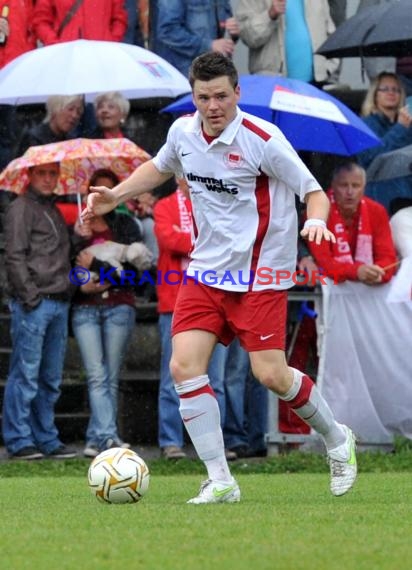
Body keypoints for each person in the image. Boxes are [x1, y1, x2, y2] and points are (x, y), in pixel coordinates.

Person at [83, 52, 358, 503]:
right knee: (183, 366)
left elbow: (312, 191)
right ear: (194, 96)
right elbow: (160, 166)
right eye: (203, 97)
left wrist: (316, 220)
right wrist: (115, 194)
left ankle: (335, 437)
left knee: (269, 374)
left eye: (221, 96)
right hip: (206, 271)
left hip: (260, 274)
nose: (212, 106)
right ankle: (221, 479)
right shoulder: (182, 132)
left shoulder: (262, 139)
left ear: (237, 94)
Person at [71, 168, 153, 458]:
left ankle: (97, 438)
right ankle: (108, 437)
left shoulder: (126, 226)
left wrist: (98, 265)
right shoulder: (76, 229)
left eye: (107, 190)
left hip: (119, 306)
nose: (99, 197)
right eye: (94, 190)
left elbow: (135, 276)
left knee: (110, 377)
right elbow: (73, 273)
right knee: (96, 376)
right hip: (85, 311)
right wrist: (87, 283)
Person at [153, 177, 235, 460]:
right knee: (172, 376)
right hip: (175, 301)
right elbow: (169, 239)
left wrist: (193, 239)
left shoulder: (217, 201)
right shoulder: (164, 206)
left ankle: (216, 446)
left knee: (216, 380)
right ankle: (171, 442)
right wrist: (208, 241)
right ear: (177, 176)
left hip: (216, 300)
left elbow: (231, 239)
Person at [2, 163, 80, 460]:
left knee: (49, 377)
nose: (48, 179)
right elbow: (14, 256)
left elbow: (54, 253)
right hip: (36, 302)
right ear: (29, 176)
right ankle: (19, 438)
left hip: (58, 301)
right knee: (26, 374)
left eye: (52, 173)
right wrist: (30, 296)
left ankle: (45, 437)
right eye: (42, 174)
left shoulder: (53, 208)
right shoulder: (21, 207)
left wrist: (78, 235)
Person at [308, 161, 397, 285]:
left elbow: (387, 255)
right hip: (329, 287)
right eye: (344, 185)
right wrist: (356, 271)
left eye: (356, 186)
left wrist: (378, 271)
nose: (350, 192)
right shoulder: (318, 211)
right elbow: (323, 261)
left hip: (369, 286)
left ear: (364, 188)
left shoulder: (377, 211)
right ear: (333, 186)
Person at [235, 0, 340, 89]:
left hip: (315, 85)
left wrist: (328, 68)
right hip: (272, 85)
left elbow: (331, 34)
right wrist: (270, 15)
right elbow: (247, 37)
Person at [357, 72, 412, 212]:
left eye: (395, 89)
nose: (391, 93)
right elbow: (371, 158)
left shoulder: (407, 125)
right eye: (385, 89)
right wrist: (400, 128)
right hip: (379, 195)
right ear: (375, 94)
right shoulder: (366, 124)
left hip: (405, 194)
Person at [154, 0, 240, 78]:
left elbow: (225, 27)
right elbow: (167, 32)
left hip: (216, 71)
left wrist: (233, 32)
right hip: (185, 74)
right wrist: (209, 45)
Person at [0, 1, 36, 169]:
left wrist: (27, 59)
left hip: (16, 74)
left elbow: (35, 25)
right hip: (13, 70)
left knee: (12, 139)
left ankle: (6, 187)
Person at [15, 94, 84, 157]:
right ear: (55, 109)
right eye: (70, 109)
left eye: (78, 111)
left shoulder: (73, 142)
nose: (75, 115)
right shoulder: (34, 138)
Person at [32, 0, 127, 45]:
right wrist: (55, 43)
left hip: (101, 56)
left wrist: (110, 41)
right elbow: (41, 20)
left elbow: (119, 19)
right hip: (65, 58)